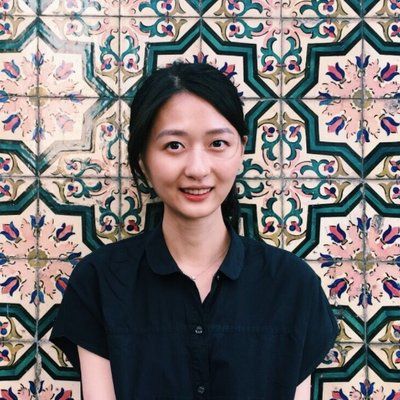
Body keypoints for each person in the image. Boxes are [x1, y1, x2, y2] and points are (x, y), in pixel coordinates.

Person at [49, 61, 339, 400]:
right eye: (174, 145)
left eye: (218, 143)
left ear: (241, 150)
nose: (198, 169)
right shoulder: (99, 281)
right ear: (142, 160)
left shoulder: (293, 285)